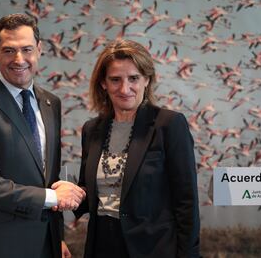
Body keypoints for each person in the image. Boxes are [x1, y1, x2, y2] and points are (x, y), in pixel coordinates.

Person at [0, 13, 86, 258]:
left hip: (46, 243)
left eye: (27, 49)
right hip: (1, 246)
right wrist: (51, 197)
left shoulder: (52, 103)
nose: (19, 59)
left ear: (39, 49)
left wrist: (56, 239)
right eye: (8, 51)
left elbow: (48, 176)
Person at [74, 39, 200, 257]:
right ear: (103, 83)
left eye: (133, 78)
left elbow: (186, 202)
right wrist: (63, 193)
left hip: (153, 248)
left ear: (147, 80)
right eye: (115, 79)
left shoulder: (169, 125)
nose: (125, 88)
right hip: (101, 246)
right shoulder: (91, 130)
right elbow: (88, 193)